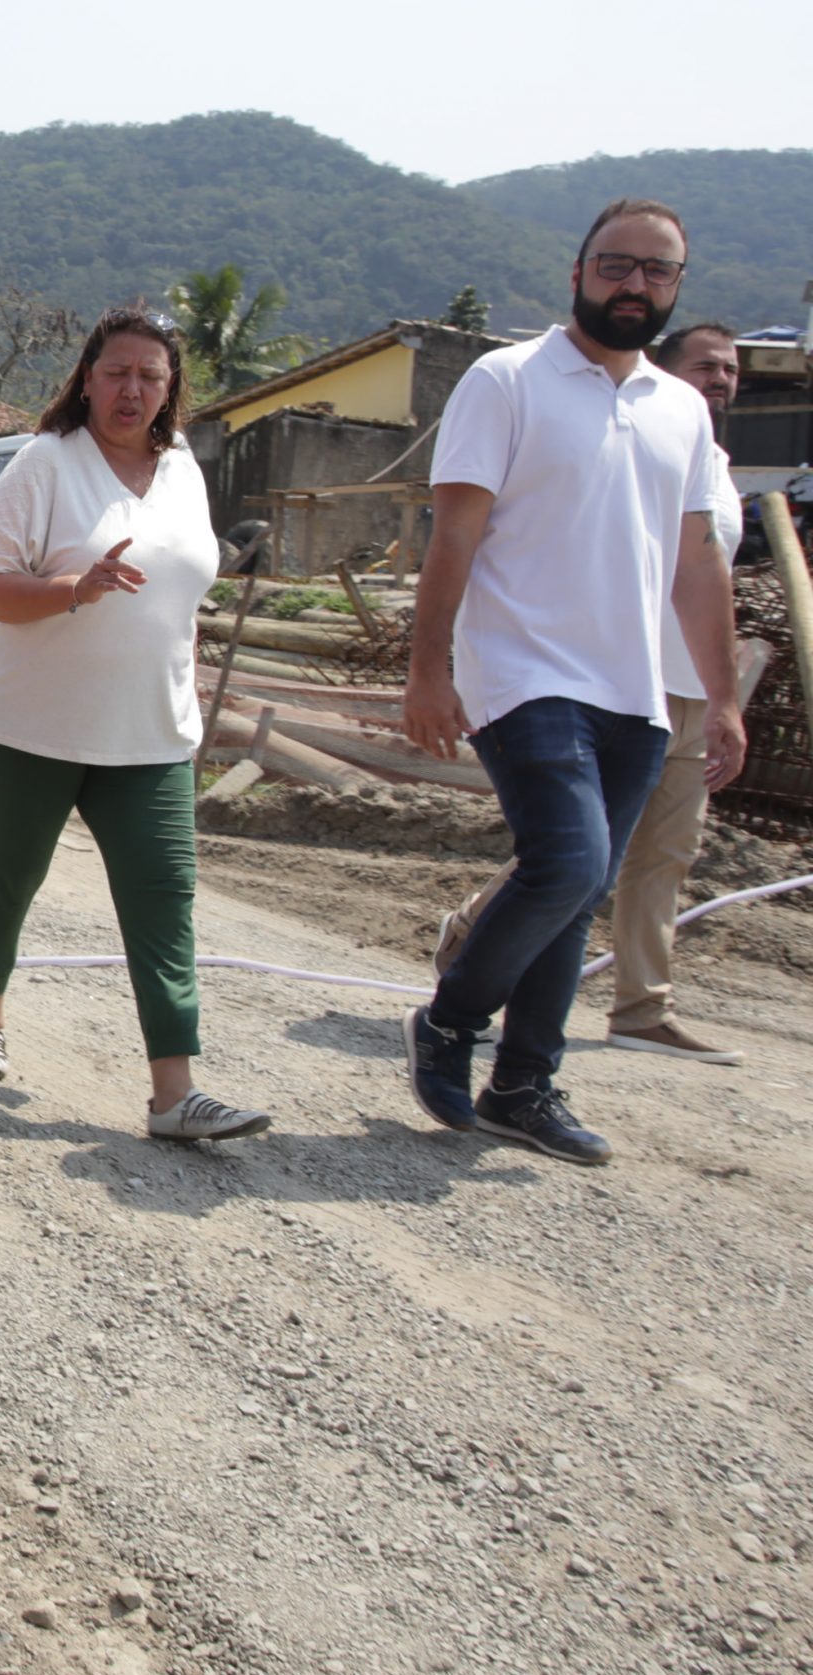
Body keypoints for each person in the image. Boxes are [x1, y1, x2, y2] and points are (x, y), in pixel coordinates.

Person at [402, 200, 746, 1166]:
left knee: (578, 887)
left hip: (634, 690)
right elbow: (455, 533)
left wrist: (719, 696)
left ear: (677, 288)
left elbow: (696, 564)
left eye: (657, 273)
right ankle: (451, 1020)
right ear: (578, 271)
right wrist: (429, 670)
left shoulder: (679, 410)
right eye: (617, 265)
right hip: (521, 671)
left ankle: (523, 1084)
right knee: (568, 861)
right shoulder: (505, 379)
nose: (634, 285)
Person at [0, 307, 272, 1143]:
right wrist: (74, 590)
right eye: (117, 371)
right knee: (12, 877)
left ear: (171, 390)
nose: (132, 389)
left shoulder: (183, 470)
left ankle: (174, 1094)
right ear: (86, 377)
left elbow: (182, 584)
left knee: (164, 897)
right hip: (27, 724)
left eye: (150, 376)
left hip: (151, 729)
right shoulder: (44, 464)